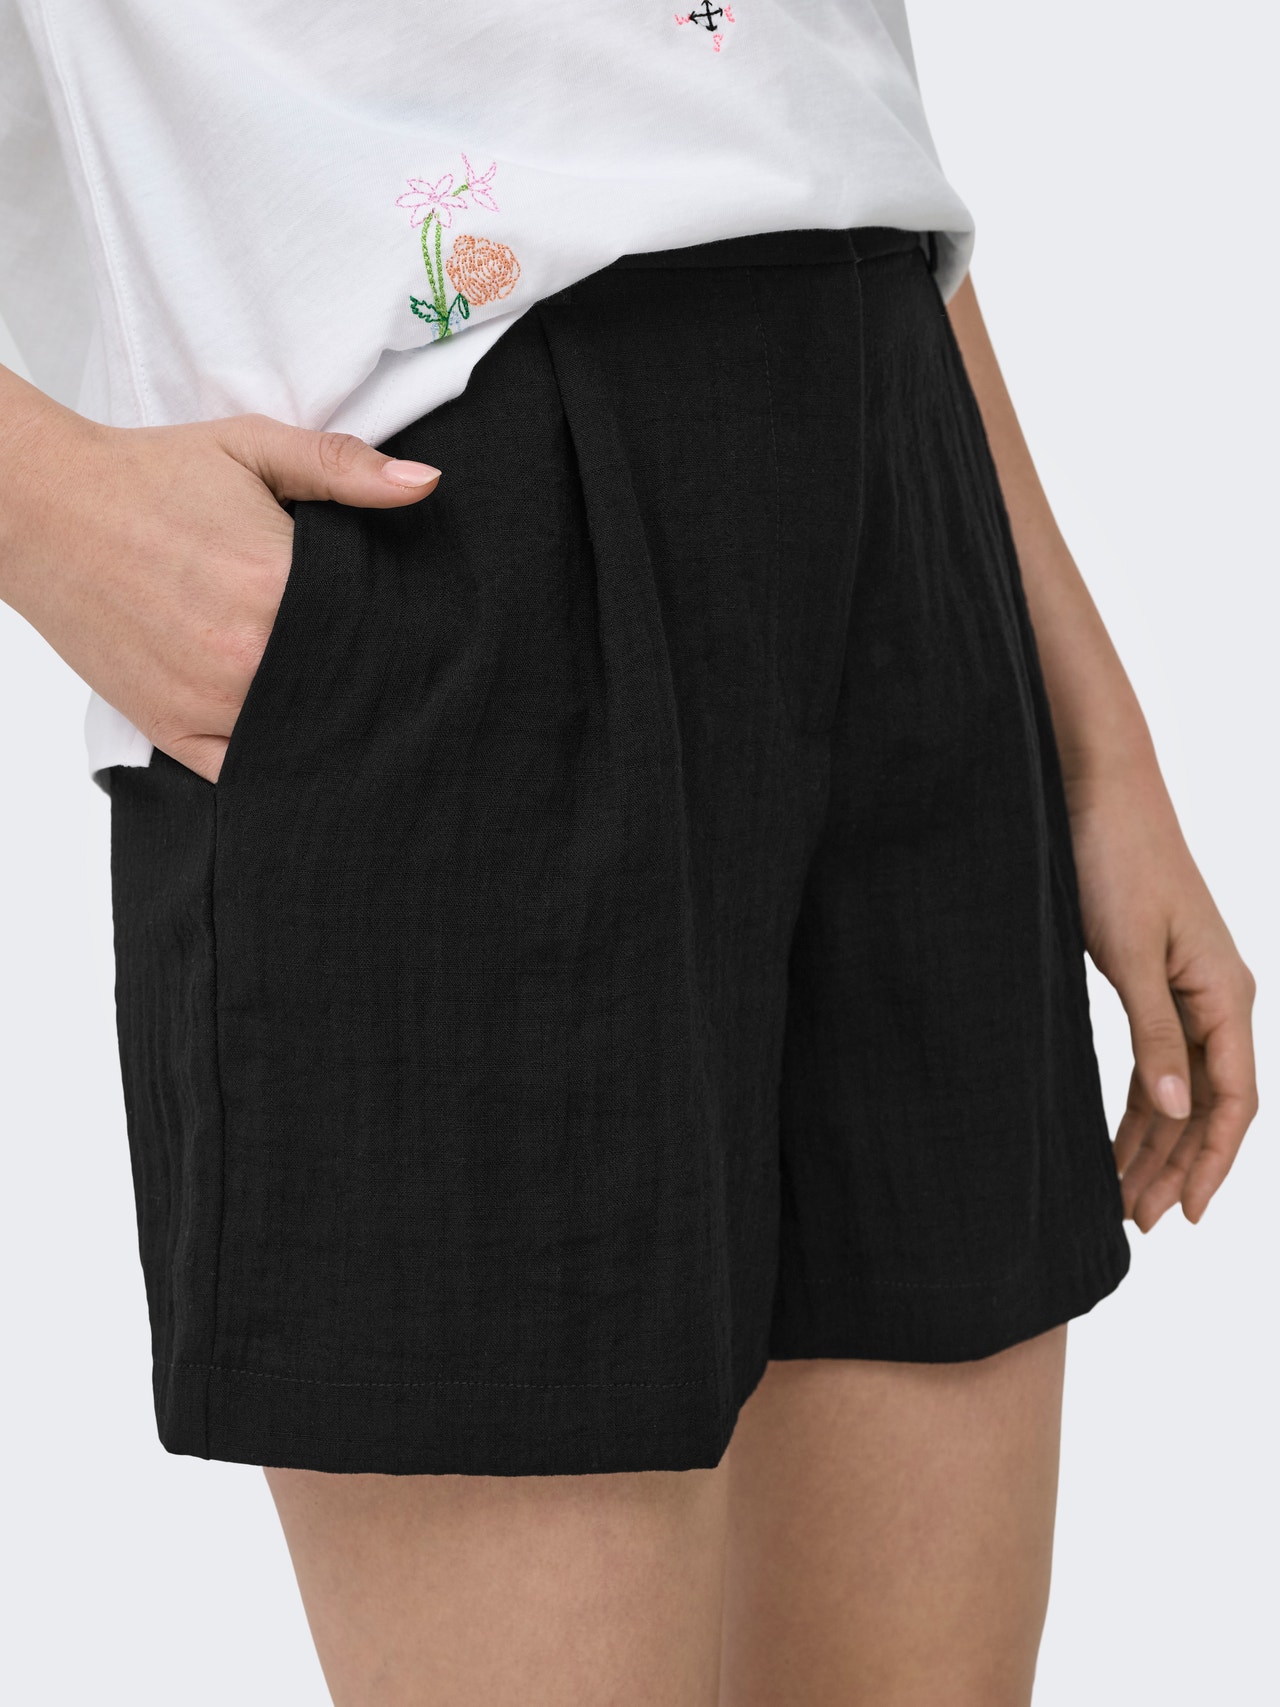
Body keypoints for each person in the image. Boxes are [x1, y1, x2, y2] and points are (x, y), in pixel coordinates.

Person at [0, 2, 1258, 1702]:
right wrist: (46, 506)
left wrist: (1099, 742)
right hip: (442, 528)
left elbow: (810, 110)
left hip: (896, 477)